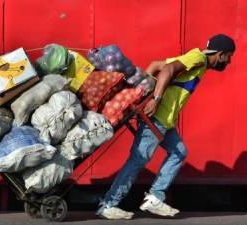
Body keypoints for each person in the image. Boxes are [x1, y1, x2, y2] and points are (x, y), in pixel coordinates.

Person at [97, 34, 236, 220]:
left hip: (166, 121)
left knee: (179, 152)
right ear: (220, 54)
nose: (228, 61)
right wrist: (154, 99)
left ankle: (154, 197)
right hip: (158, 117)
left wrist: (139, 93)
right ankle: (109, 204)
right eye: (229, 56)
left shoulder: (195, 59)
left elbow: (155, 65)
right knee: (138, 160)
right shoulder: (199, 59)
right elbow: (168, 69)